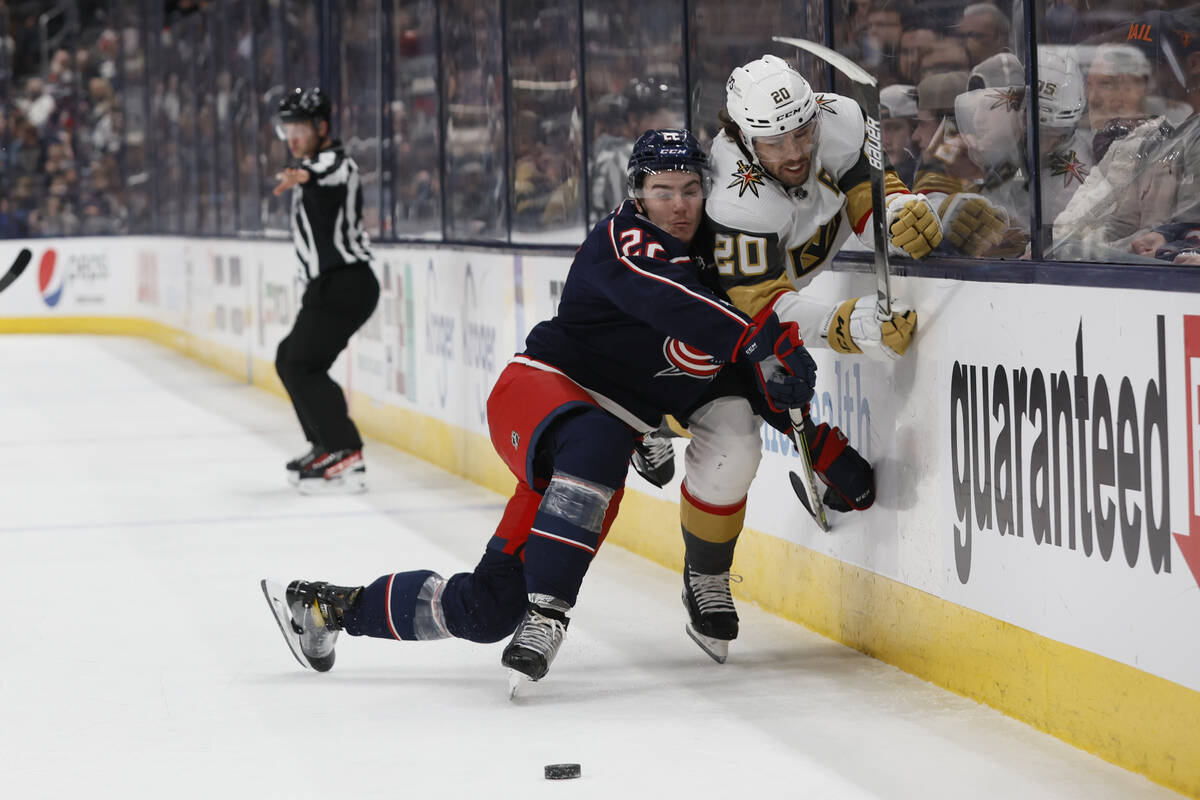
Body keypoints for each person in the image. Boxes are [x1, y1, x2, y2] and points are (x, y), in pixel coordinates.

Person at [261, 129, 819, 685]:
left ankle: (329, 608)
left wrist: (822, 447)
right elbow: (673, 303)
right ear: (636, 192)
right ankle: (550, 614)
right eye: (662, 189)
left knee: (487, 611)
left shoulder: (715, 255)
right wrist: (757, 340)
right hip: (540, 392)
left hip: (593, 444)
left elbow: (714, 374)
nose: (678, 204)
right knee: (601, 441)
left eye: (692, 188)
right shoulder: (624, 237)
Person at [641, 54, 939, 663]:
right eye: (776, 141)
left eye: (802, 130)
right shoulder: (731, 196)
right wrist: (842, 325)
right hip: (710, 328)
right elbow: (757, 309)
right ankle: (656, 432)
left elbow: (866, 192)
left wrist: (898, 210)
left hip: (765, 334)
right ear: (742, 135)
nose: (796, 150)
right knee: (729, 440)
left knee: (849, 479)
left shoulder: (838, 120)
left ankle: (661, 424)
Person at [271, 87, 380, 494]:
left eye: (300, 127)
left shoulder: (336, 163)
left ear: (322, 126)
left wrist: (305, 173)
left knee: (301, 363)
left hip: (347, 283)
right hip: (329, 286)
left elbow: (330, 169)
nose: (293, 136)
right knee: (290, 358)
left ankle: (345, 450)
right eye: (288, 129)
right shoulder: (310, 162)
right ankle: (325, 444)